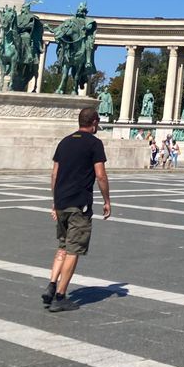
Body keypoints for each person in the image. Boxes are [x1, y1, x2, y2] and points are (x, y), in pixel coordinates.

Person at [42, 106, 111, 313]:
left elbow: (54, 174)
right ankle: (61, 296)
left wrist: (55, 201)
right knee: (74, 250)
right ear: (95, 122)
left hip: (62, 202)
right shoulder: (94, 143)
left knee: (62, 246)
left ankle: (52, 284)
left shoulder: (64, 142)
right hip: (79, 204)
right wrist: (107, 200)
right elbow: (100, 175)